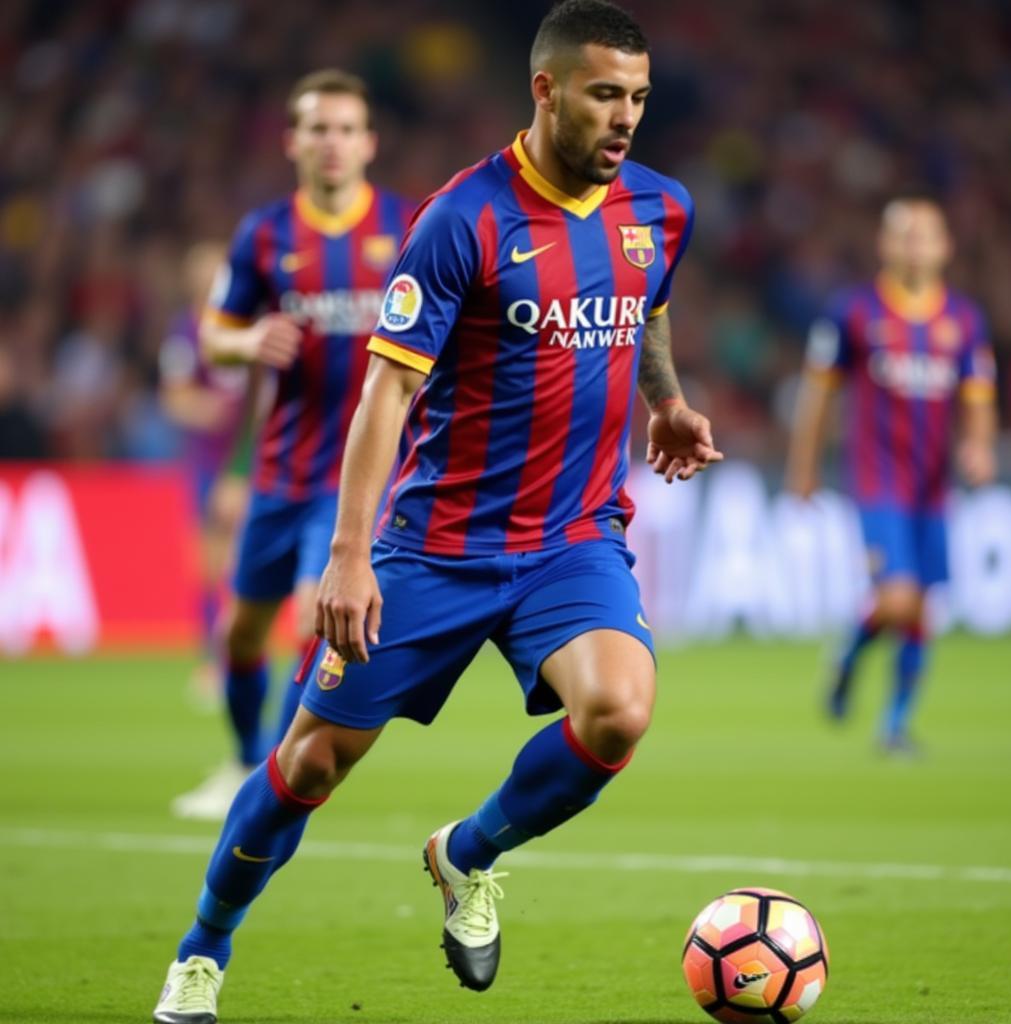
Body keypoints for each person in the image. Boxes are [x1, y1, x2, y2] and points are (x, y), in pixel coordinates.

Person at [153, 2, 722, 1019]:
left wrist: (666, 399)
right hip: (438, 546)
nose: (625, 117)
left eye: (636, 97)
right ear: (545, 90)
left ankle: (468, 853)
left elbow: (651, 300)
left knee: (619, 711)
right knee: (309, 760)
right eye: (604, 95)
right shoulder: (463, 218)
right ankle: (204, 944)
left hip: (572, 539)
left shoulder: (659, 207)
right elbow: (386, 392)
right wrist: (347, 556)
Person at [169, 69, 415, 820]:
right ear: (293, 141)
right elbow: (214, 332)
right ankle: (246, 757)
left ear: (368, 142)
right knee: (244, 633)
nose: (332, 142)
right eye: (318, 128)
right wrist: (248, 341)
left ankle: (267, 785)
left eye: (346, 128)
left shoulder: (407, 228)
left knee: (316, 622)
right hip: (280, 474)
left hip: (359, 483)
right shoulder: (265, 234)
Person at [786, 191, 997, 752]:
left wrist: (978, 447)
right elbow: (818, 395)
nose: (914, 244)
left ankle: (896, 723)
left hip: (933, 483)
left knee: (922, 604)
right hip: (878, 479)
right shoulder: (854, 312)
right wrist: (803, 466)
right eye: (903, 233)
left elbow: (978, 398)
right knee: (901, 597)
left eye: (925, 234)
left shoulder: (964, 320)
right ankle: (852, 655)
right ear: (882, 244)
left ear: (946, 247)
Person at [158, 241, 253, 711]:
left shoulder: (250, 326)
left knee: (245, 563)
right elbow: (175, 397)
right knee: (209, 567)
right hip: (205, 463)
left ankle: (243, 661)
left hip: (250, 461)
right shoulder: (185, 333)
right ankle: (214, 661)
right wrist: (202, 407)